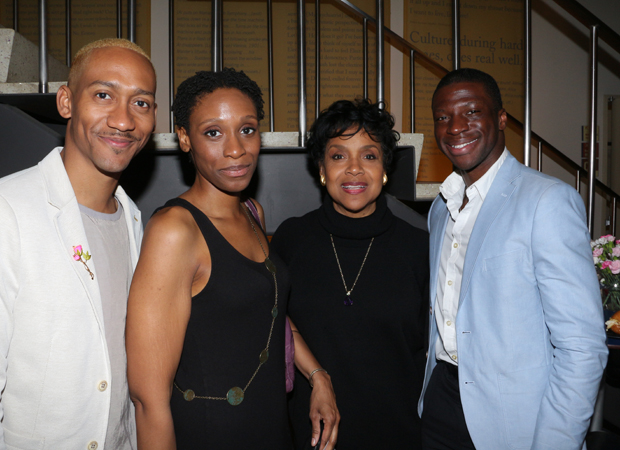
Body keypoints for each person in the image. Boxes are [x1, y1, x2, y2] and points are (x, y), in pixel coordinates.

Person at [125, 68, 338, 449]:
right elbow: (147, 398)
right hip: (210, 432)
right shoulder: (176, 230)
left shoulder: (252, 212)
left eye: (247, 129)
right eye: (213, 133)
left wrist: (317, 375)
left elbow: (268, 312)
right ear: (185, 139)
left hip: (270, 427)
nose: (236, 149)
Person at [419, 68, 608, 449]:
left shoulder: (546, 201)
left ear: (501, 119)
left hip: (515, 422)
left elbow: (582, 346)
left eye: (471, 112)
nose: (455, 127)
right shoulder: (441, 207)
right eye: (443, 117)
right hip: (440, 401)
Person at [0, 38, 157, 449]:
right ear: (66, 102)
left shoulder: (136, 222)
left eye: (141, 103)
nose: (123, 120)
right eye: (104, 95)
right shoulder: (9, 210)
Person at [270, 99, 430, 449]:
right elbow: (273, 325)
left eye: (369, 156)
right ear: (321, 168)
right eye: (339, 155)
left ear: (385, 168)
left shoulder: (420, 248)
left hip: (398, 434)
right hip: (309, 435)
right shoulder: (291, 239)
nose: (354, 169)